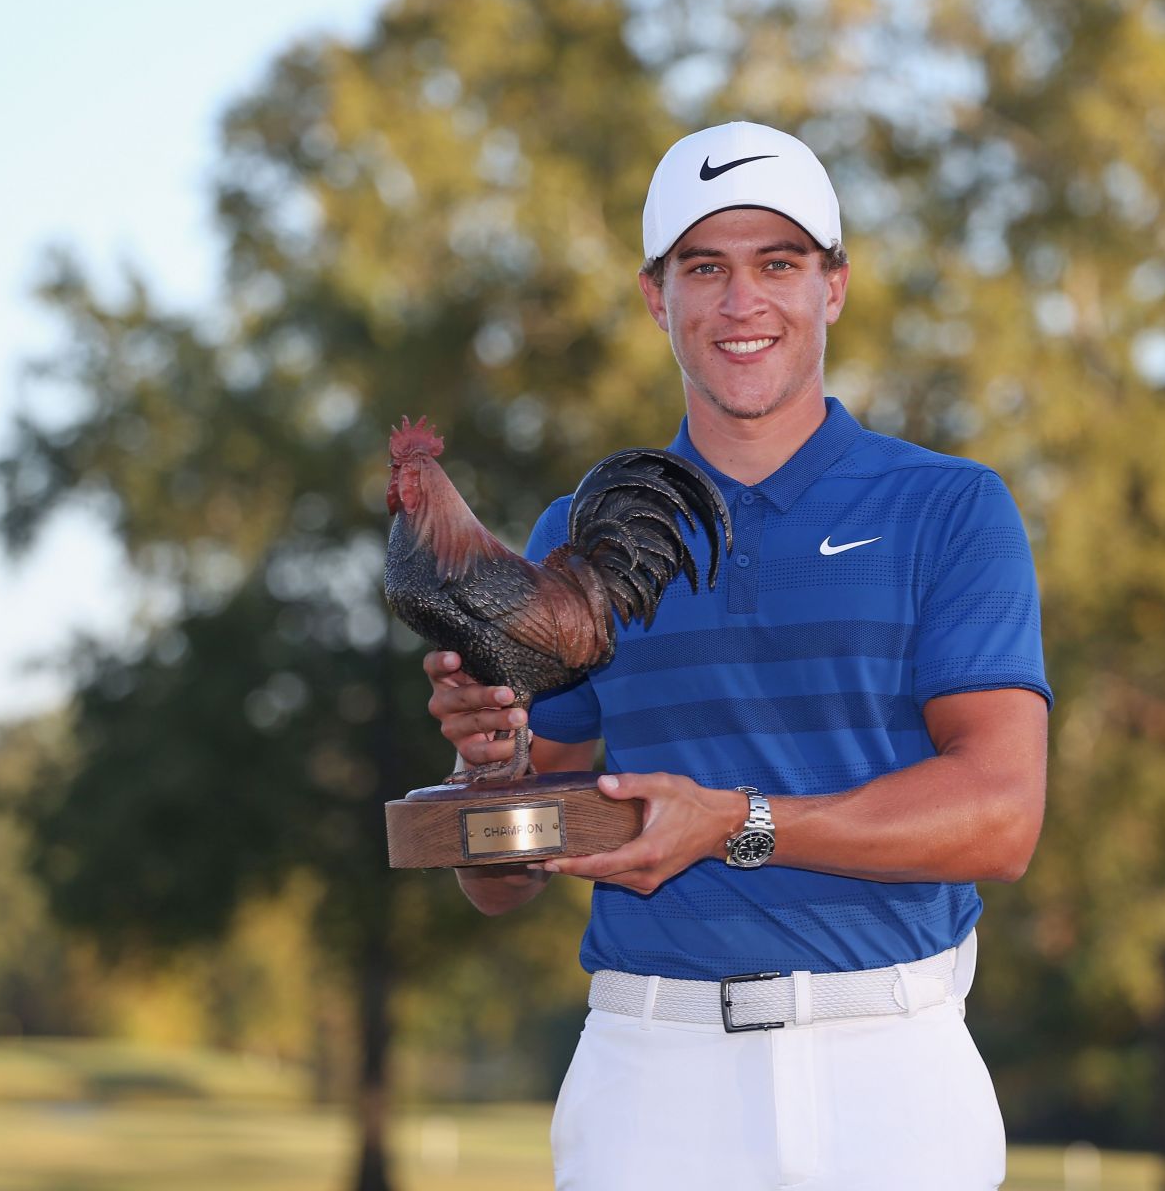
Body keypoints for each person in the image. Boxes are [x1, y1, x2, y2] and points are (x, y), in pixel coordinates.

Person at [424, 120, 1051, 1191]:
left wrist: (739, 822)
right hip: (649, 1078)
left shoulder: (949, 507)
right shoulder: (580, 532)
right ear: (654, 296)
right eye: (704, 267)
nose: (741, 301)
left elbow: (1001, 814)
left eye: (779, 263)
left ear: (834, 287)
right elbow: (502, 881)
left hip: (893, 1069)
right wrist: (489, 770)